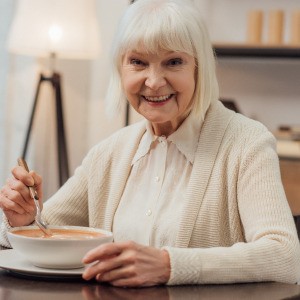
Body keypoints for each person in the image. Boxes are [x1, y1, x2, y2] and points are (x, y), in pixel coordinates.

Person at [0, 0, 299, 287]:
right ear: (121, 69)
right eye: (138, 62)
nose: (154, 81)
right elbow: (47, 232)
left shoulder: (247, 143)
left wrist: (170, 265)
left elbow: (285, 255)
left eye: (173, 62)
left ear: (199, 68)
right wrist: (23, 221)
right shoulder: (108, 153)